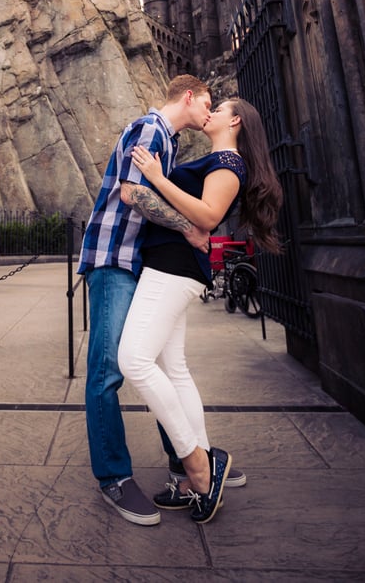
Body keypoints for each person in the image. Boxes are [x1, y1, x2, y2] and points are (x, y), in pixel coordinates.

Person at [117, 97, 283, 524]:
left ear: (236, 120)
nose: (211, 113)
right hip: (171, 265)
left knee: (133, 360)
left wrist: (156, 177)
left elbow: (208, 217)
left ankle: (197, 466)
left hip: (173, 268)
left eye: (220, 106)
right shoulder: (218, 158)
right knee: (174, 369)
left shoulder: (229, 162)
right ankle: (202, 468)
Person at [77, 74, 213, 526]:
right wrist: (188, 228)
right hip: (113, 260)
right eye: (206, 103)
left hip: (137, 264)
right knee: (107, 371)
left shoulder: (168, 142)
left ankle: (188, 460)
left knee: (151, 364)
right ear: (188, 96)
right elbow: (132, 193)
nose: (209, 114)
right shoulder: (152, 128)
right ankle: (113, 477)